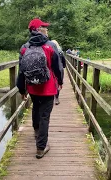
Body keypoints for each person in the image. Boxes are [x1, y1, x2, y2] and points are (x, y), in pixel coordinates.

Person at [16, 18, 63, 159]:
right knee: (45, 116)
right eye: (44, 27)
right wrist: (60, 81)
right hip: (48, 87)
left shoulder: (25, 47)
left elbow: (21, 71)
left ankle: (37, 133)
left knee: (36, 108)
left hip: (32, 87)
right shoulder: (50, 46)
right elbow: (58, 67)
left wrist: (22, 90)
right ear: (37, 29)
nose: (47, 29)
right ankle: (41, 148)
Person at [51, 40, 66, 105]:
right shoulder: (60, 51)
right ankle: (56, 98)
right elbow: (63, 60)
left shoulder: (49, 49)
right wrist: (64, 66)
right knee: (58, 83)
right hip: (59, 68)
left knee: (52, 82)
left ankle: (51, 97)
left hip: (51, 69)